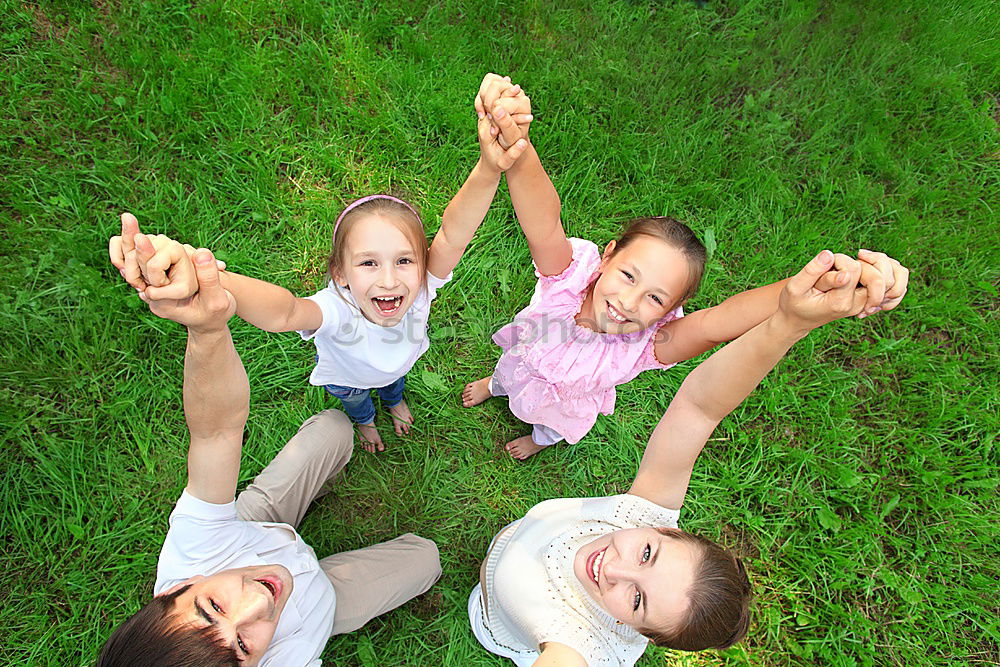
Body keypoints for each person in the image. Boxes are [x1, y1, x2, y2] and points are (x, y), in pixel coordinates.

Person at [469, 249, 909, 666]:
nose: (615, 569)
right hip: (516, 543)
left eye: (637, 600)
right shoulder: (638, 513)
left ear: (643, 634)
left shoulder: (580, 643)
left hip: (500, 621)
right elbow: (699, 408)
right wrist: (791, 322)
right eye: (646, 553)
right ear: (662, 527)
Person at [462, 74, 904, 460]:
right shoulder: (568, 281)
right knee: (508, 373)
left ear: (673, 308)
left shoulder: (650, 344)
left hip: (565, 402)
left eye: (655, 297)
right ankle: (493, 387)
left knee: (550, 424)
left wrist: (815, 286)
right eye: (627, 275)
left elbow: (719, 323)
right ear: (609, 255)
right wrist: (516, 143)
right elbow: (544, 222)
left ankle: (541, 438)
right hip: (527, 358)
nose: (628, 303)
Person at [116, 76, 531, 453]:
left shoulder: (421, 284)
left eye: (404, 260)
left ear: (422, 263)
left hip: (400, 362)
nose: (390, 280)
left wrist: (489, 168)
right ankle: (367, 423)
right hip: (347, 379)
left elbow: (454, 232)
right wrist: (209, 275)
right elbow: (284, 311)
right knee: (357, 402)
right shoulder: (335, 309)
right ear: (341, 275)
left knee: (393, 383)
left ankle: (394, 398)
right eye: (368, 263)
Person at [99, 239, 442, 666]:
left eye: (214, 609)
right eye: (243, 646)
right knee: (427, 558)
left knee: (335, 428)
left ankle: (309, 492)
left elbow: (218, 432)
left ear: (175, 590)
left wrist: (206, 326)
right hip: (326, 602)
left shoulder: (194, 554)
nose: (258, 603)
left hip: (255, 525)